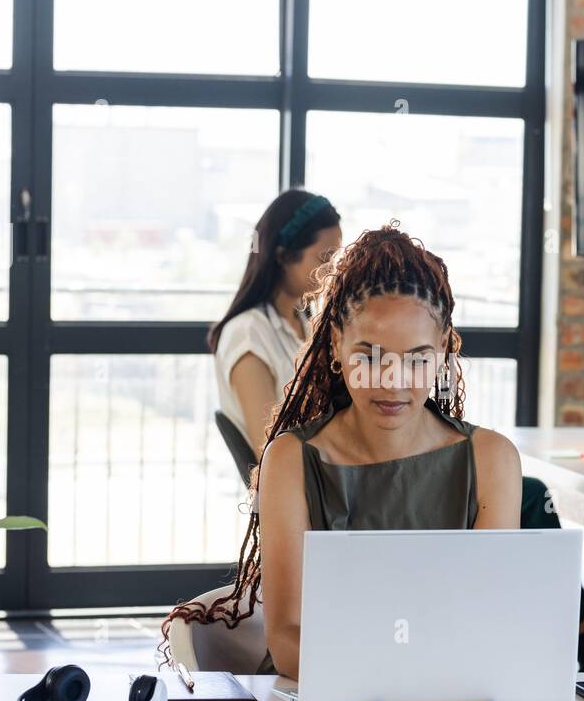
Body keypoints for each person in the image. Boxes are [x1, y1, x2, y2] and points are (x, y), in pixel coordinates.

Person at [165, 224, 523, 677]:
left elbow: (487, 621)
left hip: (449, 698)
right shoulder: (291, 461)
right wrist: (402, 676)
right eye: (370, 355)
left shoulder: (491, 460)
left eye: (416, 358)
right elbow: (287, 638)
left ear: (442, 353)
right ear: (335, 345)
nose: (392, 380)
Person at [211, 189, 342, 460]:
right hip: (293, 488)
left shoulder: (303, 323)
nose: (332, 272)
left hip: (320, 474)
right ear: (283, 256)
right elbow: (268, 448)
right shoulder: (247, 334)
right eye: (323, 259)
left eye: (336, 259)